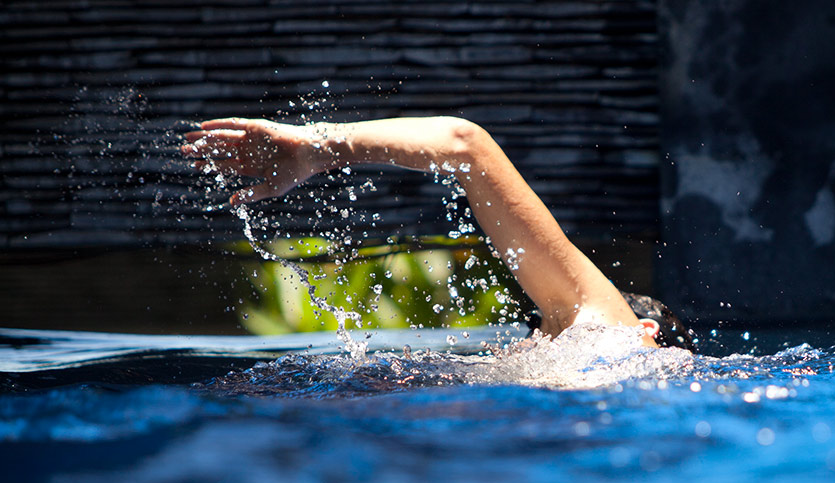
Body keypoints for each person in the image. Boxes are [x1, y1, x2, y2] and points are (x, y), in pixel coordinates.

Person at [182, 116, 695, 351]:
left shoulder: (611, 330)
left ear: (644, 331)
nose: (539, 334)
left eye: (546, 324)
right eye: (540, 326)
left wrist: (317, 147)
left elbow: (466, 144)